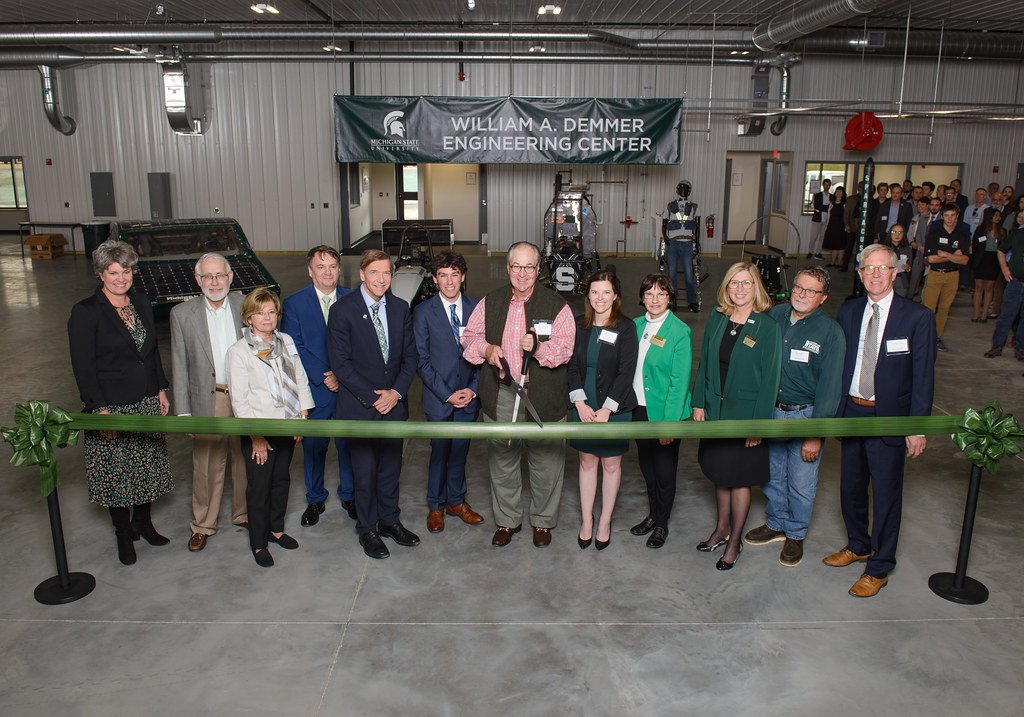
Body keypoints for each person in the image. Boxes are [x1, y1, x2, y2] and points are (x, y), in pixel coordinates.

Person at [824, 243, 936, 598]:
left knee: (886, 496)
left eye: (881, 268)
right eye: (868, 268)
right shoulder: (849, 310)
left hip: (889, 418)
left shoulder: (917, 317)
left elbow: (924, 376)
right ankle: (858, 545)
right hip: (852, 413)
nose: (874, 274)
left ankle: (879, 566)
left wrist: (916, 427)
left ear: (895, 271)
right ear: (859, 274)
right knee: (851, 488)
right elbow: (838, 363)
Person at [462, 241, 575, 548]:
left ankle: (543, 522)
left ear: (538, 270)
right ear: (507, 268)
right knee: (502, 461)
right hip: (501, 393)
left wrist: (538, 348)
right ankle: (507, 521)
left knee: (546, 463)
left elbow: (565, 349)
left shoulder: (557, 306)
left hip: (544, 396)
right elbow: (469, 338)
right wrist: (486, 349)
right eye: (516, 266)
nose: (522, 273)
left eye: (529, 267)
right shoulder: (491, 302)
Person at [68, 239, 173, 566]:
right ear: (101, 274)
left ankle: (143, 523)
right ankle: (123, 533)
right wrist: (100, 410)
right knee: (117, 473)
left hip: (145, 400)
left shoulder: (140, 301)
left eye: (125, 271)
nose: (120, 278)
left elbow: (151, 352)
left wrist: (160, 389)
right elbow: (83, 367)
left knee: (146, 466)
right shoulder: (86, 312)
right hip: (111, 405)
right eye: (113, 272)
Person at [744, 267, 844, 567]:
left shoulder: (830, 333)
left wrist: (815, 433)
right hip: (772, 411)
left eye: (811, 291)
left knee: (801, 481)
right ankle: (777, 523)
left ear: (823, 298)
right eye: (798, 287)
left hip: (806, 414)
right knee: (772, 473)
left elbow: (830, 387)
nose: (801, 294)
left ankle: (796, 533)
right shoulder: (775, 316)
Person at [328, 249, 420, 560]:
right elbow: (341, 364)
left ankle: (389, 521)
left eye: (386, 273)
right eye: (374, 272)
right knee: (364, 472)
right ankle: (367, 528)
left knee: (391, 469)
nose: (381, 279)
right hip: (360, 407)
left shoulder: (400, 308)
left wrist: (396, 393)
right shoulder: (343, 311)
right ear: (362, 275)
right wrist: (372, 397)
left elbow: (411, 358)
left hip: (393, 404)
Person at [692, 263, 782, 571]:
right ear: (726, 287)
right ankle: (721, 530)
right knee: (721, 473)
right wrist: (699, 402)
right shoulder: (719, 317)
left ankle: (734, 542)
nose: (739, 289)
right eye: (734, 283)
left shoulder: (767, 327)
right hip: (716, 412)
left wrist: (758, 426)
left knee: (740, 479)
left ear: (756, 288)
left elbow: (770, 380)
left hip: (746, 416)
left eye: (746, 283)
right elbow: (705, 363)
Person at [227, 289, 313, 568]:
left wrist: (301, 417)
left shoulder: (285, 341)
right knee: (259, 487)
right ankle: (258, 542)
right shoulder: (239, 351)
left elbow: (299, 377)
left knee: (281, 480)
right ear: (249, 318)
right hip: (258, 429)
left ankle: (276, 529)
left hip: (286, 423)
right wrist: (255, 436)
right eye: (260, 313)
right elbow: (239, 400)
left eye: (271, 312)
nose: (267, 318)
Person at [169, 253, 247, 553]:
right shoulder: (182, 314)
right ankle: (203, 524)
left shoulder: (245, 305)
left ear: (230, 277)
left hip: (243, 398)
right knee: (206, 465)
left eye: (220, 275)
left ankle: (243, 514)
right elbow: (179, 365)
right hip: (207, 398)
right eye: (207, 276)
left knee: (245, 459)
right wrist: (184, 412)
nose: (214, 282)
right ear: (198, 280)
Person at [282, 245, 356, 528]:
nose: (328, 272)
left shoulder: (353, 298)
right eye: (321, 267)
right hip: (315, 388)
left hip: (348, 389)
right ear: (310, 271)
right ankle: (315, 498)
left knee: (349, 444)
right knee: (314, 447)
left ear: (339, 270)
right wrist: (324, 375)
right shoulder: (295, 303)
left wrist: (342, 375)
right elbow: (294, 346)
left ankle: (350, 495)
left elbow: (361, 343)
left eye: (333, 267)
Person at [413, 252, 484, 534]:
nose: (449, 281)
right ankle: (436, 506)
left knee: (460, 451)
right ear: (435, 279)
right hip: (438, 398)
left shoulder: (477, 307)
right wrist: (447, 394)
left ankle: (456, 501)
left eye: (455, 274)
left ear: (463, 277)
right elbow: (421, 360)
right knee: (439, 451)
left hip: (468, 397)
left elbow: (485, 354)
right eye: (443, 275)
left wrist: (473, 390)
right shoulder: (423, 312)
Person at [567, 270, 638, 551]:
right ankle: (587, 520)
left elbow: (626, 372)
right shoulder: (578, 324)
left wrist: (608, 409)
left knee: (611, 464)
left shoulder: (626, 327)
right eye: (595, 292)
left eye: (606, 292)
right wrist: (579, 402)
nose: (600, 298)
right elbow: (572, 366)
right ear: (587, 295)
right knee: (586, 461)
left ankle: (605, 521)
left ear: (615, 296)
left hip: (614, 406)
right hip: (583, 402)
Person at [628, 273, 692, 549]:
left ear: (670, 298)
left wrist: (669, 424)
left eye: (661, 294)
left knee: (664, 472)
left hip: (665, 412)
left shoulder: (679, 331)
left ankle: (662, 524)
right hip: (639, 409)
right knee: (647, 467)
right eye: (649, 293)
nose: (655, 299)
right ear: (642, 297)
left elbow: (679, 383)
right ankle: (653, 515)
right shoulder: (635, 325)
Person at [921, 202, 970, 352]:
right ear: (942, 216)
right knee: (928, 308)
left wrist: (945, 254)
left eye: (952, 215)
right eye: (946, 215)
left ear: (957, 216)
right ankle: (924, 337)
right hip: (935, 274)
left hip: (953, 275)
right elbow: (931, 259)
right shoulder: (934, 234)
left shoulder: (961, 235)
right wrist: (954, 256)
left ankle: (936, 337)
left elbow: (965, 260)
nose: (949, 219)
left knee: (944, 308)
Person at [984, 208, 1024, 360]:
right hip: (1015, 282)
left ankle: (1021, 348)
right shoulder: (1017, 234)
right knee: (1006, 315)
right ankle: (997, 346)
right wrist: (1005, 268)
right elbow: (1001, 250)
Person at [663, 180, 701, 312]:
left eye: (685, 188)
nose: (683, 190)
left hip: (687, 244)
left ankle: (692, 301)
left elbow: (697, 227)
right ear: (677, 190)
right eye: (681, 188)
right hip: (672, 243)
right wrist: (666, 238)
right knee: (671, 274)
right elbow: (664, 224)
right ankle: (673, 300)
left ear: (689, 191)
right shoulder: (670, 207)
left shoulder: (694, 207)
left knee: (689, 274)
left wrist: (697, 244)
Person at [971, 209, 1004, 323]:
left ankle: (984, 315)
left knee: (989, 288)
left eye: (999, 216)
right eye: (995, 215)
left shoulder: (1002, 231)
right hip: (981, 259)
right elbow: (975, 245)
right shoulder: (980, 229)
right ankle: (976, 314)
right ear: (989, 216)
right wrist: (975, 259)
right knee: (978, 287)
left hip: (994, 260)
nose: (997, 218)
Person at [822, 185, 847, 267]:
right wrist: (827, 225)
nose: (838, 193)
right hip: (832, 225)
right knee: (834, 244)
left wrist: (846, 225)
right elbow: (829, 214)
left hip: (841, 226)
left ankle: (839, 263)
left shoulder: (845, 203)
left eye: (840, 191)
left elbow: (847, 215)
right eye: (837, 191)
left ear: (843, 193)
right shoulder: (832, 203)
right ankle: (832, 262)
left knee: (840, 245)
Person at [884, 225, 913, 297]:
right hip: (887, 278)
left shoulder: (907, 249)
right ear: (890, 233)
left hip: (901, 279)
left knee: (900, 301)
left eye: (900, 232)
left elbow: (910, 268)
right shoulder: (884, 248)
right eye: (894, 232)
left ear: (903, 235)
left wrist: (907, 268)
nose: (897, 235)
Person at [807, 178, 831, 259]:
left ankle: (818, 252)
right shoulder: (817, 195)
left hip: (826, 219)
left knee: (822, 237)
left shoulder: (832, 196)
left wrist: (823, 207)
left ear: (830, 186)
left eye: (828, 185)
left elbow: (829, 208)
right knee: (814, 237)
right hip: (817, 219)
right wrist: (825, 207)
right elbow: (816, 206)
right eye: (825, 185)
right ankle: (810, 251)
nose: (826, 186)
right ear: (823, 185)